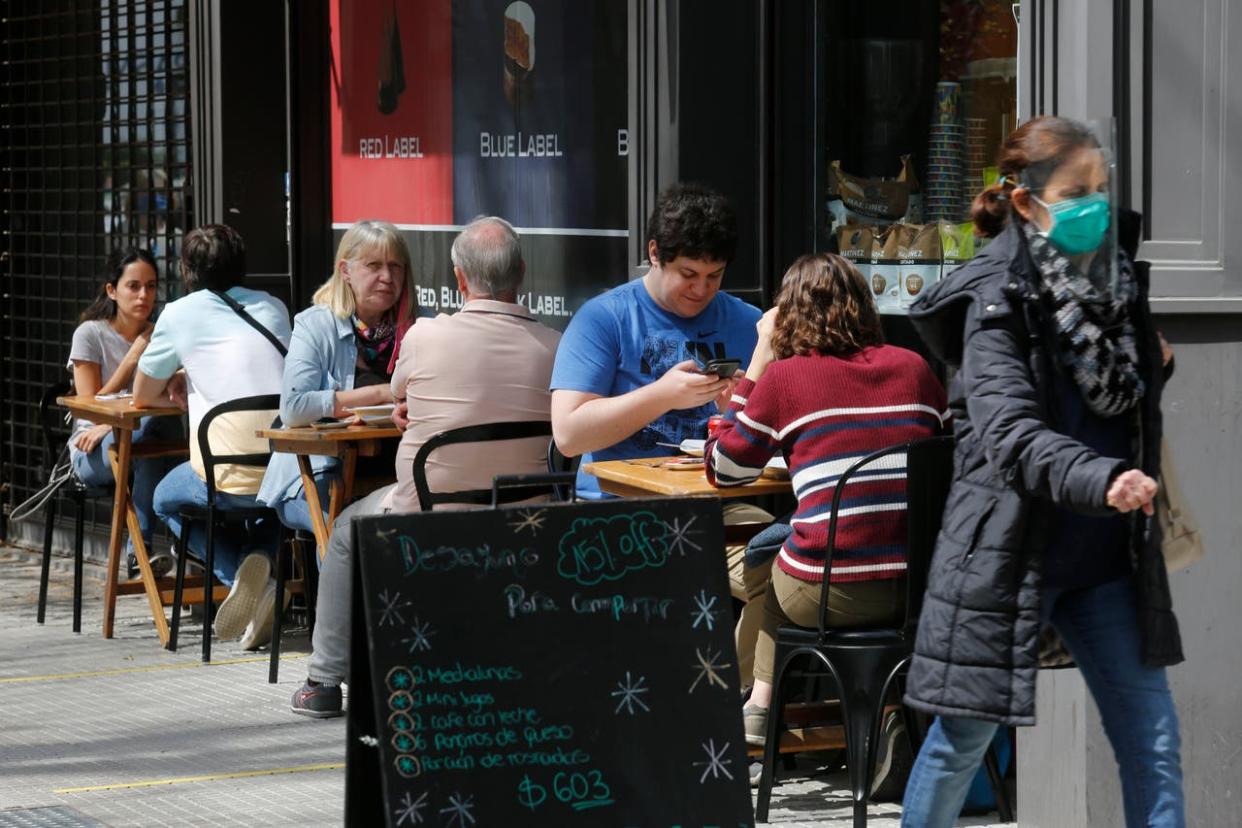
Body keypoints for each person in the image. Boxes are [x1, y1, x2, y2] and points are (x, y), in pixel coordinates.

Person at [899, 116, 1185, 827]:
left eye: (1100, 188)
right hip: (1006, 553)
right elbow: (1011, 435)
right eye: (1075, 191)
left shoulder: (1115, 282)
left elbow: (1112, 399)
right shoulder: (994, 298)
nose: (1094, 205)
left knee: (1153, 741)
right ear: (1026, 202)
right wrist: (1106, 480)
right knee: (961, 740)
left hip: (1104, 561)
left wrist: (1155, 370)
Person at [291, 216, 562, 717]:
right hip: (525, 521)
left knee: (347, 527)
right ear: (522, 273)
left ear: (458, 279)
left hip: (430, 515)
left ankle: (324, 681)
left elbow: (401, 393)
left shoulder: (423, 338)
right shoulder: (554, 345)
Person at [704, 253, 948, 749]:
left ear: (787, 315)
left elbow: (724, 470)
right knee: (783, 547)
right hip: (922, 589)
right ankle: (884, 707)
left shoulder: (786, 378)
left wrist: (758, 359)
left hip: (831, 596)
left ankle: (761, 704)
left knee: (768, 563)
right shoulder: (916, 368)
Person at [549, 182, 773, 686]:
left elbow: (774, 428)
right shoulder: (604, 318)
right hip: (621, 509)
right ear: (654, 254)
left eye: (714, 276)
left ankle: (729, 707)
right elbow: (567, 433)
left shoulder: (747, 322)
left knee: (790, 560)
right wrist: (663, 395)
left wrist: (739, 406)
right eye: (688, 274)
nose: (701, 290)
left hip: (718, 504)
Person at [134, 224, 292, 651]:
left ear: (186, 270)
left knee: (163, 500)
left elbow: (142, 394)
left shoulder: (179, 314)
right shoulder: (274, 306)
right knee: (273, 502)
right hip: (286, 468)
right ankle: (261, 565)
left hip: (221, 475)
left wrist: (180, 373)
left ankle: (242, 577)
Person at [257, 220, 418, 535]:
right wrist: (381, 394)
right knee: (344, 528)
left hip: (395, 467)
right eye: (374, 266)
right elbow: (294, 407)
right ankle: (346, 585)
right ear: (345, 270)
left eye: (395, 267)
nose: (387, 277)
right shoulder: (315, 325)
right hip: (318, 469)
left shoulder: (417, 329)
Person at [65, 247, 182, 576]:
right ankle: (177, 544)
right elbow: (90, 404)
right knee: (152, 433)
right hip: (92, 450)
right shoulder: (90, 334)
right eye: (134, 286)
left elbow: (172, 397)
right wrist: (134, 355)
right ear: (112, 290)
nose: (144, 295)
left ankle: (148, 551)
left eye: (151, 286)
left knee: (163, 433)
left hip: (138, 444)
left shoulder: (162, 334)